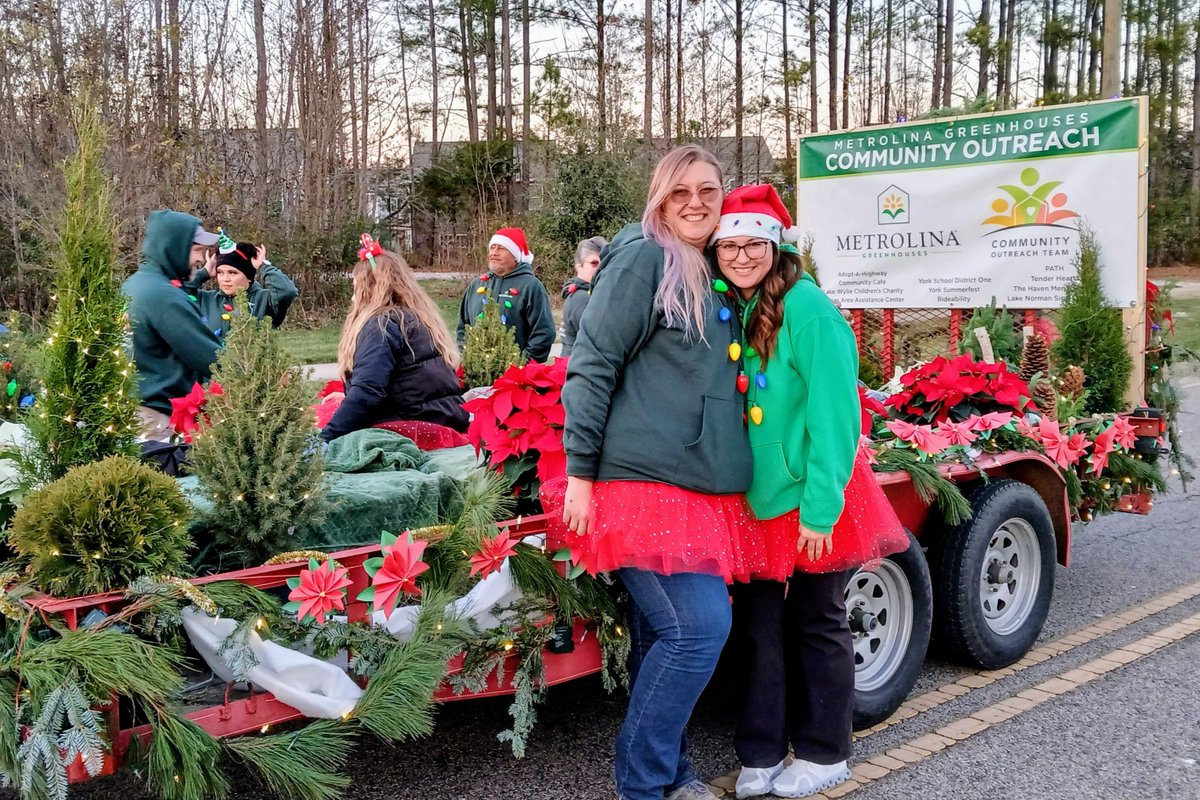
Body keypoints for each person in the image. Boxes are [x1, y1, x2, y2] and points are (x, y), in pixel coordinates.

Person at [559, 145, 754, 800]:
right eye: (680, 192)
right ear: (659, 198)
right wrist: (580, 474)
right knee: (699, 628)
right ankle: (641, 784)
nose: (696, 202)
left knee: (661, 634)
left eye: (708, 189)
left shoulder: (709, 265)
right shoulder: (645, 256)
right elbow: (593, 362)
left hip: (692, 483)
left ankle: (669, 774)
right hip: (640, 484)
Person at [710, 185, 907, 799]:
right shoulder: (735, 308)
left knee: (817, 619)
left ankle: (826, 751)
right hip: (755, 499)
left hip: (809, 499)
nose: (741, 256)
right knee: (758, 626)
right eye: (729, 246)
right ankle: (762, 751)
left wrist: (821, 512)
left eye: (753, 245)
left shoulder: (811, 310)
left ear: (776, 247)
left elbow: (835, 421)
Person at [320, 245, 468, 442]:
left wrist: (324, 440)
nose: (353, 298)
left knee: (324, 419)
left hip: (412, 425)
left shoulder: (381, 325)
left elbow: (368, 392)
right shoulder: (418, 318)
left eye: (355, 289)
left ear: (367, 291)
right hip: (442, 417)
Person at [123, 210, 223, 440]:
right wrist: (261, 373)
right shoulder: (163, 297)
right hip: (160, 423)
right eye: (197, 250)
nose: (201, 259)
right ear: (173, 249)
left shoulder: (135, 285)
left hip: (135, 413)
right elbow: (212, 359)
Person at [456, 226, 556, 362]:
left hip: (516, 375)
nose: (494, 253)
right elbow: (463, 328)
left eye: (501, 248)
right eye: (492, 247)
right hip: (477, 373)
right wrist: (467, 358)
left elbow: (543, 333)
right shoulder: (477, 285)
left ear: (515, 256)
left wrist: (521, 364)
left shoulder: (531, 286)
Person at [183, 233, 299, 339]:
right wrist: (204, 272)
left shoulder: (264, 300)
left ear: (248, 277)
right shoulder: (206, 300)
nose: (225, 279)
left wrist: (263, 267)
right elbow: (175, 292)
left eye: (232, 273)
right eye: (220, 272)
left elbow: (287, 291)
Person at [558, 236, 606, 358]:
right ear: (579, 266)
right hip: (579, 366)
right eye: (594, 263)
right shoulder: (581, 298)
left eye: (604, 263)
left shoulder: (587, 293)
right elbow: (601, 340)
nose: (600, 268)